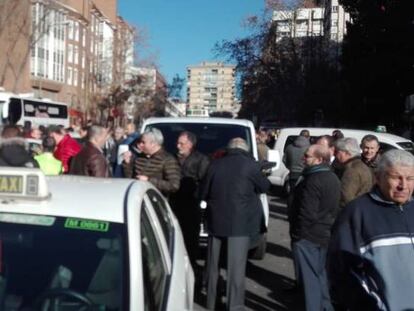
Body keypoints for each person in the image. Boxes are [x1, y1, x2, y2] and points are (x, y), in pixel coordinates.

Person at [328, 150, 414, 310]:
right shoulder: (356, 213)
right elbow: (342, 272)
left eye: (410, 178)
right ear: (378, 177)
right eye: (396, 177)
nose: (403, 185)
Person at [201, 137, 270, 311]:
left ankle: (210, 302)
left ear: (228, 148)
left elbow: (202, 192)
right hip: (240, 223)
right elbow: (264, 187)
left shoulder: (215, 164)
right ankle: (234, 305)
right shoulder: (250, 165)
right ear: (245, 149)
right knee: (236, 269)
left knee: (212, 266)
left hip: (215, 220)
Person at [289, 144, 340, 311]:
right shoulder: (332, 177)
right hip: (323, 233)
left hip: (309, 236)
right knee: (319, 276)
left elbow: (307, 214)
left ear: (319, 159)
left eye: (307, 156)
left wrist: (298, 235)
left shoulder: (313, 180)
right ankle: (325, 307)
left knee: (310, 281)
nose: (303, 158)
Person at [170, 131, 210, 267]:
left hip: (192, 206)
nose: (178, 146)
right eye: (177, 143)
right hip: (173, 204)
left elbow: (205, 182)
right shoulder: (172, 158)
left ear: (190, 145)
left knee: (190, 241)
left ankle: (190, 268)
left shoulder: (201, 160)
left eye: (182, 143)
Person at [123, 128, 180, 196]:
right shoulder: (139, 157)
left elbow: (174, 186)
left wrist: (149, 180)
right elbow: (129, 178)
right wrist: (127, 164)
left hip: (155, 201)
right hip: (137, 198)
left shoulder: (168, 159)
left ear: (153, 143)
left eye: (143, 142)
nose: (140, 145)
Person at [334, 137, 374, 208]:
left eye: (337, 152)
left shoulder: (351, 170)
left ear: (346, 153)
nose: (334, 155)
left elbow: (346, 198)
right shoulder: (361, 165)